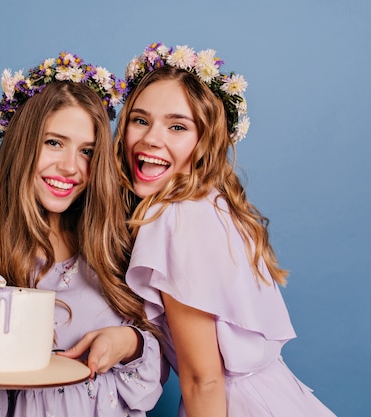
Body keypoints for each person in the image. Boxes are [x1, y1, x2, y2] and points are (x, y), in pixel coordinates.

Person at [114, 42, 338, 417]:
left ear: (205, 141)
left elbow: (205, 380)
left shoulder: (176, 218)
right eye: (140, 120)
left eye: (177, 126)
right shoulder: (210, 202)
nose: (152, 138)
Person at [0, 52, 162, 417]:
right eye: (54, 143)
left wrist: (130, 342)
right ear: (23, 146)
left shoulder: (116, 252)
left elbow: (155, 373)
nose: (71, 167)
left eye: (87, 151)